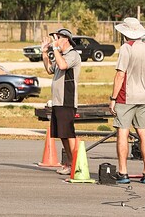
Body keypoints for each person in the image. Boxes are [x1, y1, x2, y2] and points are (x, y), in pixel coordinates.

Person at [109, 17, 145, 184]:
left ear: (125, 33)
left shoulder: (126, 48)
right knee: (143, 132)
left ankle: (123, 171)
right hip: (142, 97)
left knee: (122, 131)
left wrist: (113, 98)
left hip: (126, 95)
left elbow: (120, 74)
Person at [41, 27, 81, 176]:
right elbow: (49, 69)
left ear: (65, 39)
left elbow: (63, 65)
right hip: (58, 101)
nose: (55, 41)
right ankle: (69, 163)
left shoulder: (72, 55)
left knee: (69, 133)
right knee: (62, 134)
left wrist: (56, 50)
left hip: (67, 100)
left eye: (57, 38)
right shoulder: (61, 55)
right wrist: (45, 52)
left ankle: (76, 164)